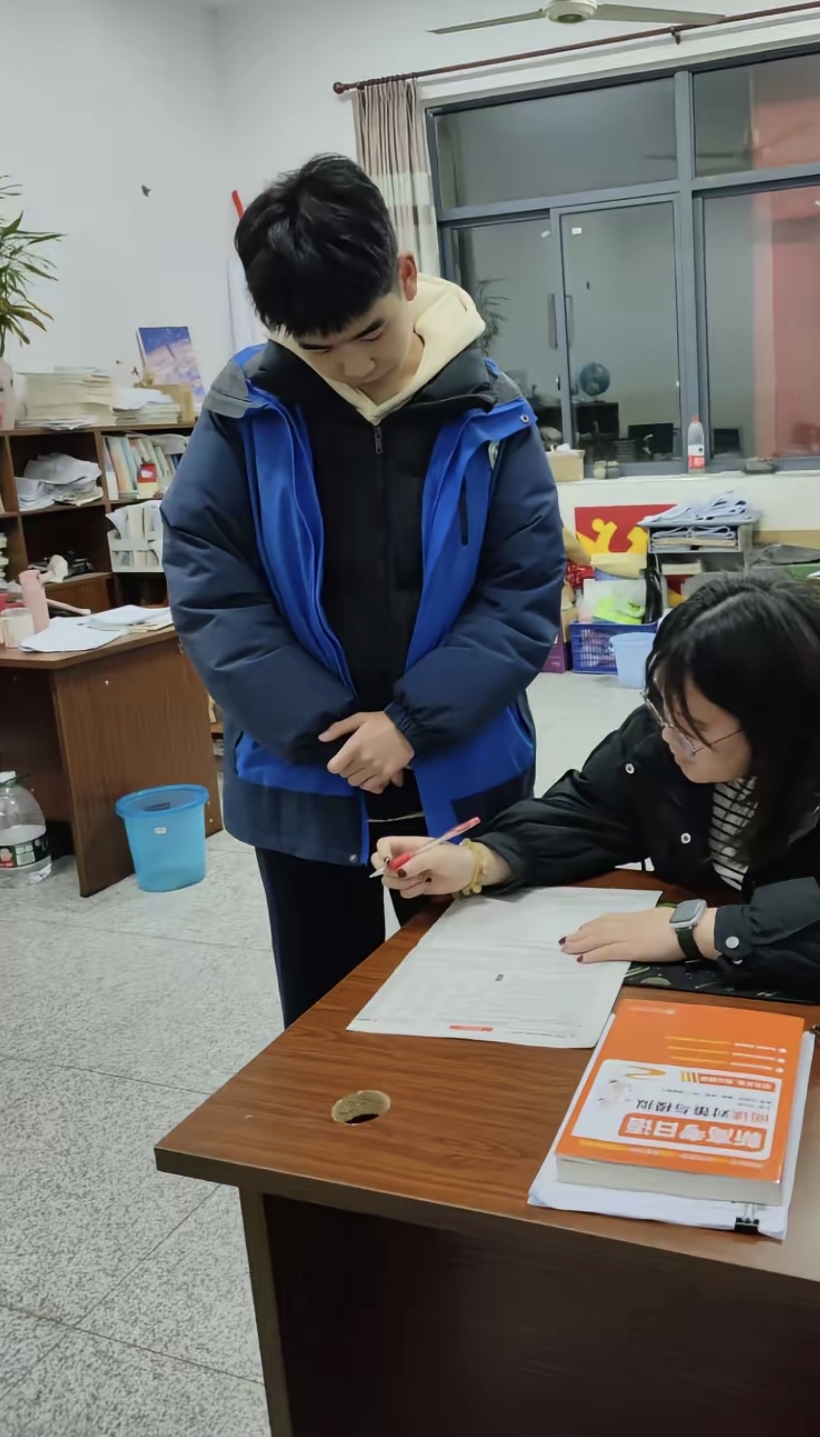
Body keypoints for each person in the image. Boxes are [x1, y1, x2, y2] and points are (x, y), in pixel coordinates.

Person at [162, 154, 564, 1025]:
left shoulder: (493, 412)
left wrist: (409, 725)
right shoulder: (244, 413)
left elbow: (523, 592)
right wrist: (331, 731)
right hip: (308, 771)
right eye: (319, 347)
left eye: (371, 331)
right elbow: (210, 586)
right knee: (323, 1018)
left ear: (407, 277)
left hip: (464, 761)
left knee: (471, 1010)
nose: (353, 364)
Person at [375, 573, 820, 1001]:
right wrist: (480, 860)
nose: (669, 739)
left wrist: (697, 931)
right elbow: (592, 808)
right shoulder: (674, 722)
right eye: (661, 710)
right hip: (755, 976)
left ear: (778, 722)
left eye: (697, 730)